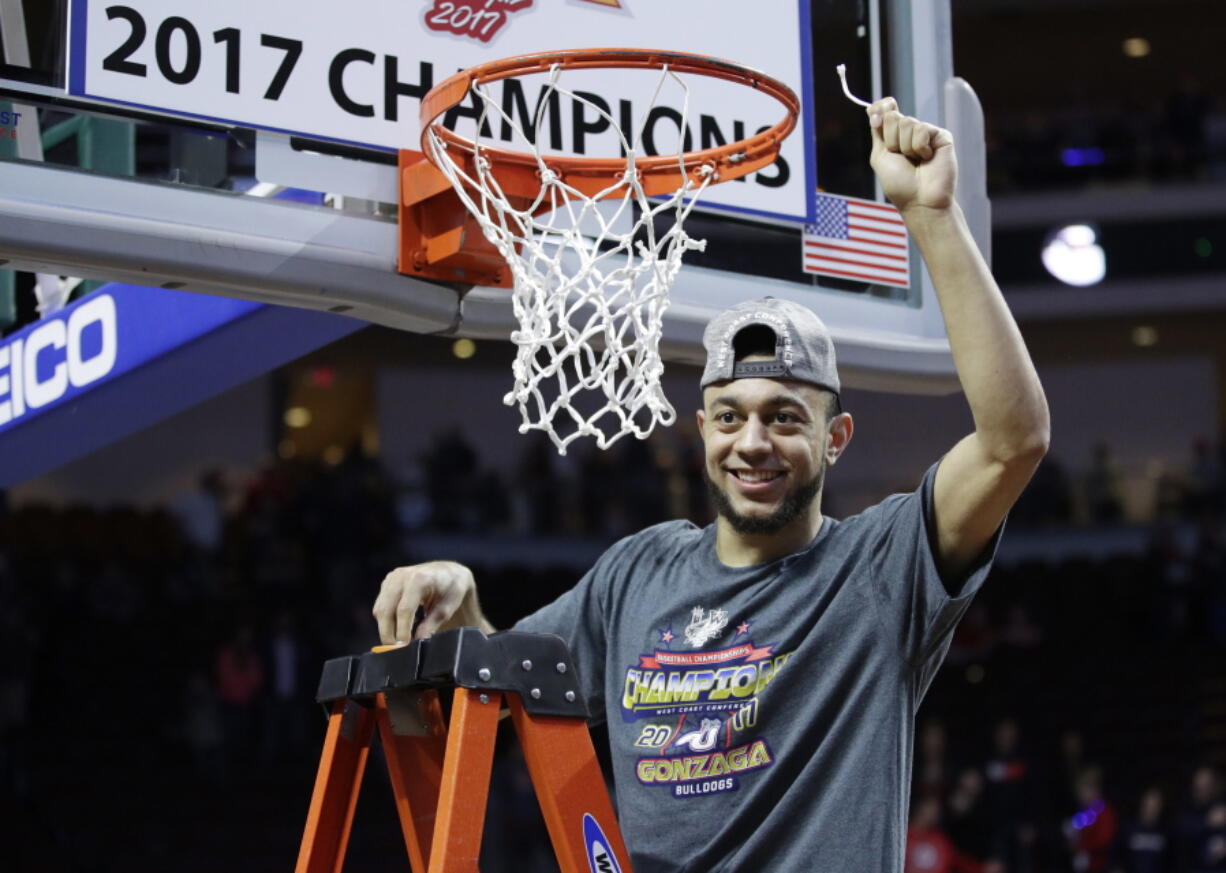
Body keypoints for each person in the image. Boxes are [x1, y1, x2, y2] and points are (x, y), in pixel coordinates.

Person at [372, 96, 1050, 873]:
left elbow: (1014, 441)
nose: (752, 442)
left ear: (836, 438)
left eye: (785, 418)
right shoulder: (638, 572)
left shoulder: (881, 567)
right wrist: (464, 603)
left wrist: (930, 216)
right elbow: (499, 699)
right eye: (730, 416)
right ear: (702, 433)